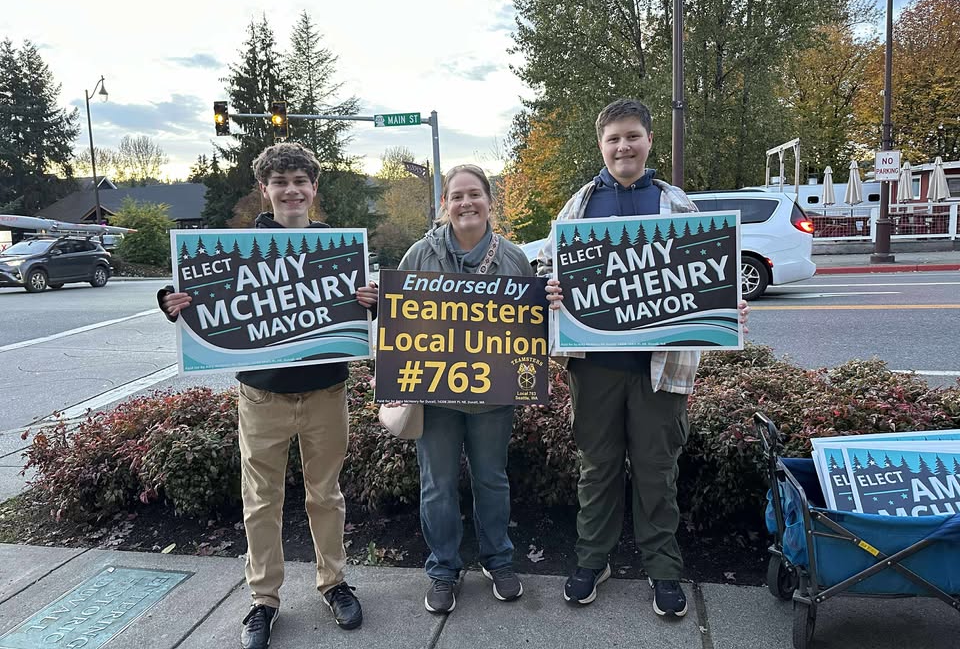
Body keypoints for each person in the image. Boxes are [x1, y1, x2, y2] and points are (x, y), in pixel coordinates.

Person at [158, 142, 378, 649]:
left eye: (300, 181)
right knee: (261, 502)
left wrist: (372, 300)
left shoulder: (338, 248)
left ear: (314, 188)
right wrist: (170, 302)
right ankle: (263, 600)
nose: (291, 190)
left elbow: (360, 313)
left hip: (327, 392)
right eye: (280, 182)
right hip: (261, 397)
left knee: (326, 495)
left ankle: (334, 583)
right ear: (265, 189)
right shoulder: (240, 247)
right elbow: (198, 299)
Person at [538, 99, 748, 619]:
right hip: (594, 367)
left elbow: (709, 276)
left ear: (649, 141)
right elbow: (546, 268)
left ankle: (663, 568)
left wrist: (728, 304)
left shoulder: (678, 206)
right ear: (601, 145)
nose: (623, 147)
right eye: (613, 138)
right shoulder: (578, 207)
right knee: (597, 470)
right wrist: (551, 290)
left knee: (657, 472)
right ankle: (593, 561)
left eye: (632, 136)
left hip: (662, 368)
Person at [391, 163, 533, 613]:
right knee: (437, 485)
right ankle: (443, 569)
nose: (466, 203)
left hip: (493, 397)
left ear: (490, 201)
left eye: (474, 194)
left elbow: (530, 329)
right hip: (435, 396)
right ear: (444, 204)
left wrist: (549, 305)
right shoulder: (420, 255)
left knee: (492, 480)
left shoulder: (514, 258)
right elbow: (399, 321)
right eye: (457, 196)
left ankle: (498, 560)